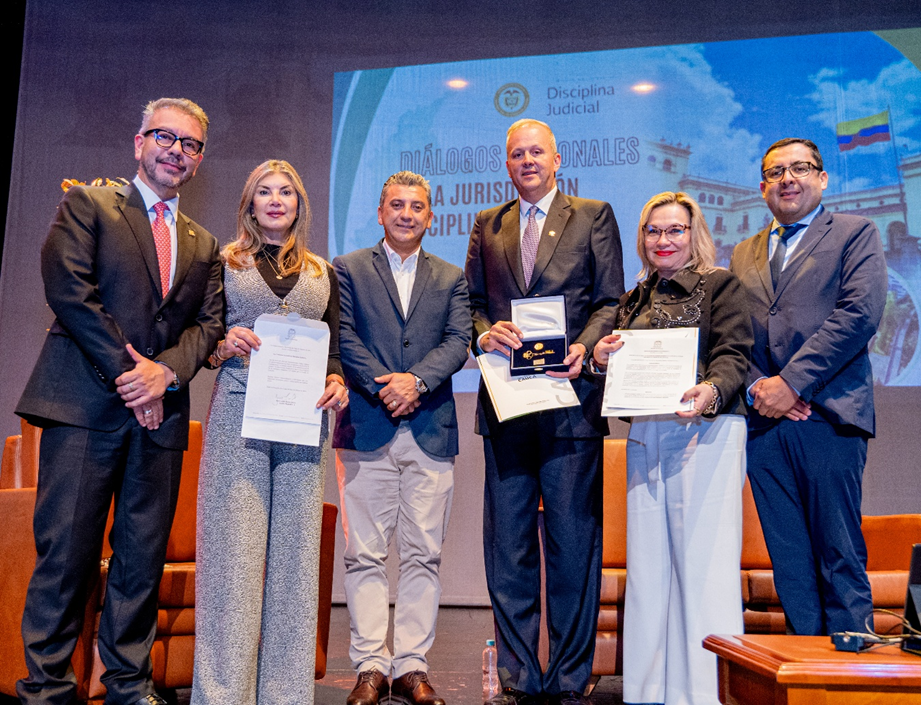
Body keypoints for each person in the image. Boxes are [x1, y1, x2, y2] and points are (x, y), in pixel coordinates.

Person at [15, 98, 223, 705]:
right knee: (66, 555)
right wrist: (135, 378)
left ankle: (129, 684)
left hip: (161, 420)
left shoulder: (203, 241)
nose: (176, 150)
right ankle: (47, 688)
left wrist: (167, 375)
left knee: (141, 558)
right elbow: (70, 291)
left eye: (189, 144)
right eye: (165, 137)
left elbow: (208, 326)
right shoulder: (89, 203)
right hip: (85, 408)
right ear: (139, 143)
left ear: (199, 159)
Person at [465, 119, 624, 705]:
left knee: (571, 545)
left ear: (557, 159)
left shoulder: (593, 215)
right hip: (507, 405)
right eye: (517, 154)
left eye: (537, 152)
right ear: (506, 163)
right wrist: (485, 334)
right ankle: (518, 677)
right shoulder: (488, 223)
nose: (527, 160)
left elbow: (610, 300)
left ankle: (569, 676)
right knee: (508, 548)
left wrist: (585, 345)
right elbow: (472, 304)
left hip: (571, 405)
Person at [190, 160, 348, 704]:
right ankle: (222, 695)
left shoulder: (323, 272)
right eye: (264, 192)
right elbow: (203, 338)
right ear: (250, 205)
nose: (276, 200)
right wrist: (221, 346)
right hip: (239, 415)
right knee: (232, 560)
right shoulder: (224, 263)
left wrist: (337, 380)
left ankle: (286, 696)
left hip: (304, 422)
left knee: (296, 565)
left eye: (286, 191)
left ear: (300, 204)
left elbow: (334, 349)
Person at [592, 192, 752, 705]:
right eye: (653, 231)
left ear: (693, 233)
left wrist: (710, 390)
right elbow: (622, 371)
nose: (663, 240)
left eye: (675, 230)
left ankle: (705, 692)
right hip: (648, 432)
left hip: (707, 431)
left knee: (704, 565)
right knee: (649, 567)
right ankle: (649, 691)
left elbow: (734, 354)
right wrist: (602, 359)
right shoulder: (633, 298)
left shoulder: (720, 285)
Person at [730, 138, 887, 636]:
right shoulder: (744, 251)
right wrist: (760, 387)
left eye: (800, 168)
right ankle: (806, 662)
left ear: (822, 178)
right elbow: (731, 334)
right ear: (762, 188)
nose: (787, 179)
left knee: (838, 551)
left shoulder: (855, 233)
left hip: (829, 416)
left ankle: (848, 663)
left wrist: (792, 384)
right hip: (765, 424)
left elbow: (858, 315)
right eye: (775, 172)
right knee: (790, 560)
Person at [333, 171, 471, 705]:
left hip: (430, 428)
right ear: (380, 212)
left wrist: (417, 382)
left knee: (423, 555)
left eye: (416, 206)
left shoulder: (451, 277)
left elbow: (459, 339)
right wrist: (385, 386)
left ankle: (411, 667)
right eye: (397, 204)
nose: (406, 214)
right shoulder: (347, 269)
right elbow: (343, 336)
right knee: (364, 556)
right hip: (366, 426)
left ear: (430, 216)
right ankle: (371, 667)